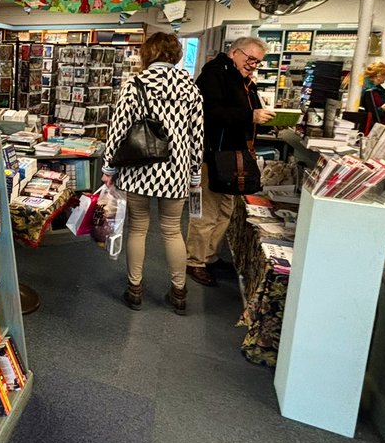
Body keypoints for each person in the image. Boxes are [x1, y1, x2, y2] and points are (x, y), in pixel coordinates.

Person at [102, 32, 204, 315]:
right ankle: (179, 292)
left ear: (148, 53)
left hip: (138, 167)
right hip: (176, 169)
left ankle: (135, 289)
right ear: (175, 55)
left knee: (137, 227)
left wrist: (109, 167)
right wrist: (194, 173)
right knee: (173, 231)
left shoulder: (135, 84)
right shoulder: (191, 87)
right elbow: (198, 135)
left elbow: (118, 129)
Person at [185, 36, 273, 286]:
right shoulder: (213, 76)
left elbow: (247, 114)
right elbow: (209, 114)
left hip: (234, 158)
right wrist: (250, 115)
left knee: (226, 211)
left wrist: (263, 118)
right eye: (250, 58)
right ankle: (195, 261)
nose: (253, 65)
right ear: (235, 52)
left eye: (258, 62)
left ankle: (209, 256)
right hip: (213, 155)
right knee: (207, 211)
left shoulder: (245, 82)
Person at [361, 61, 385, 135]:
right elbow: (368, 110)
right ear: (379, 75)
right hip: (371, 126)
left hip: (377, 123)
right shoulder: (369, 90)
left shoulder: (377, 89)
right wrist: (382, 110)